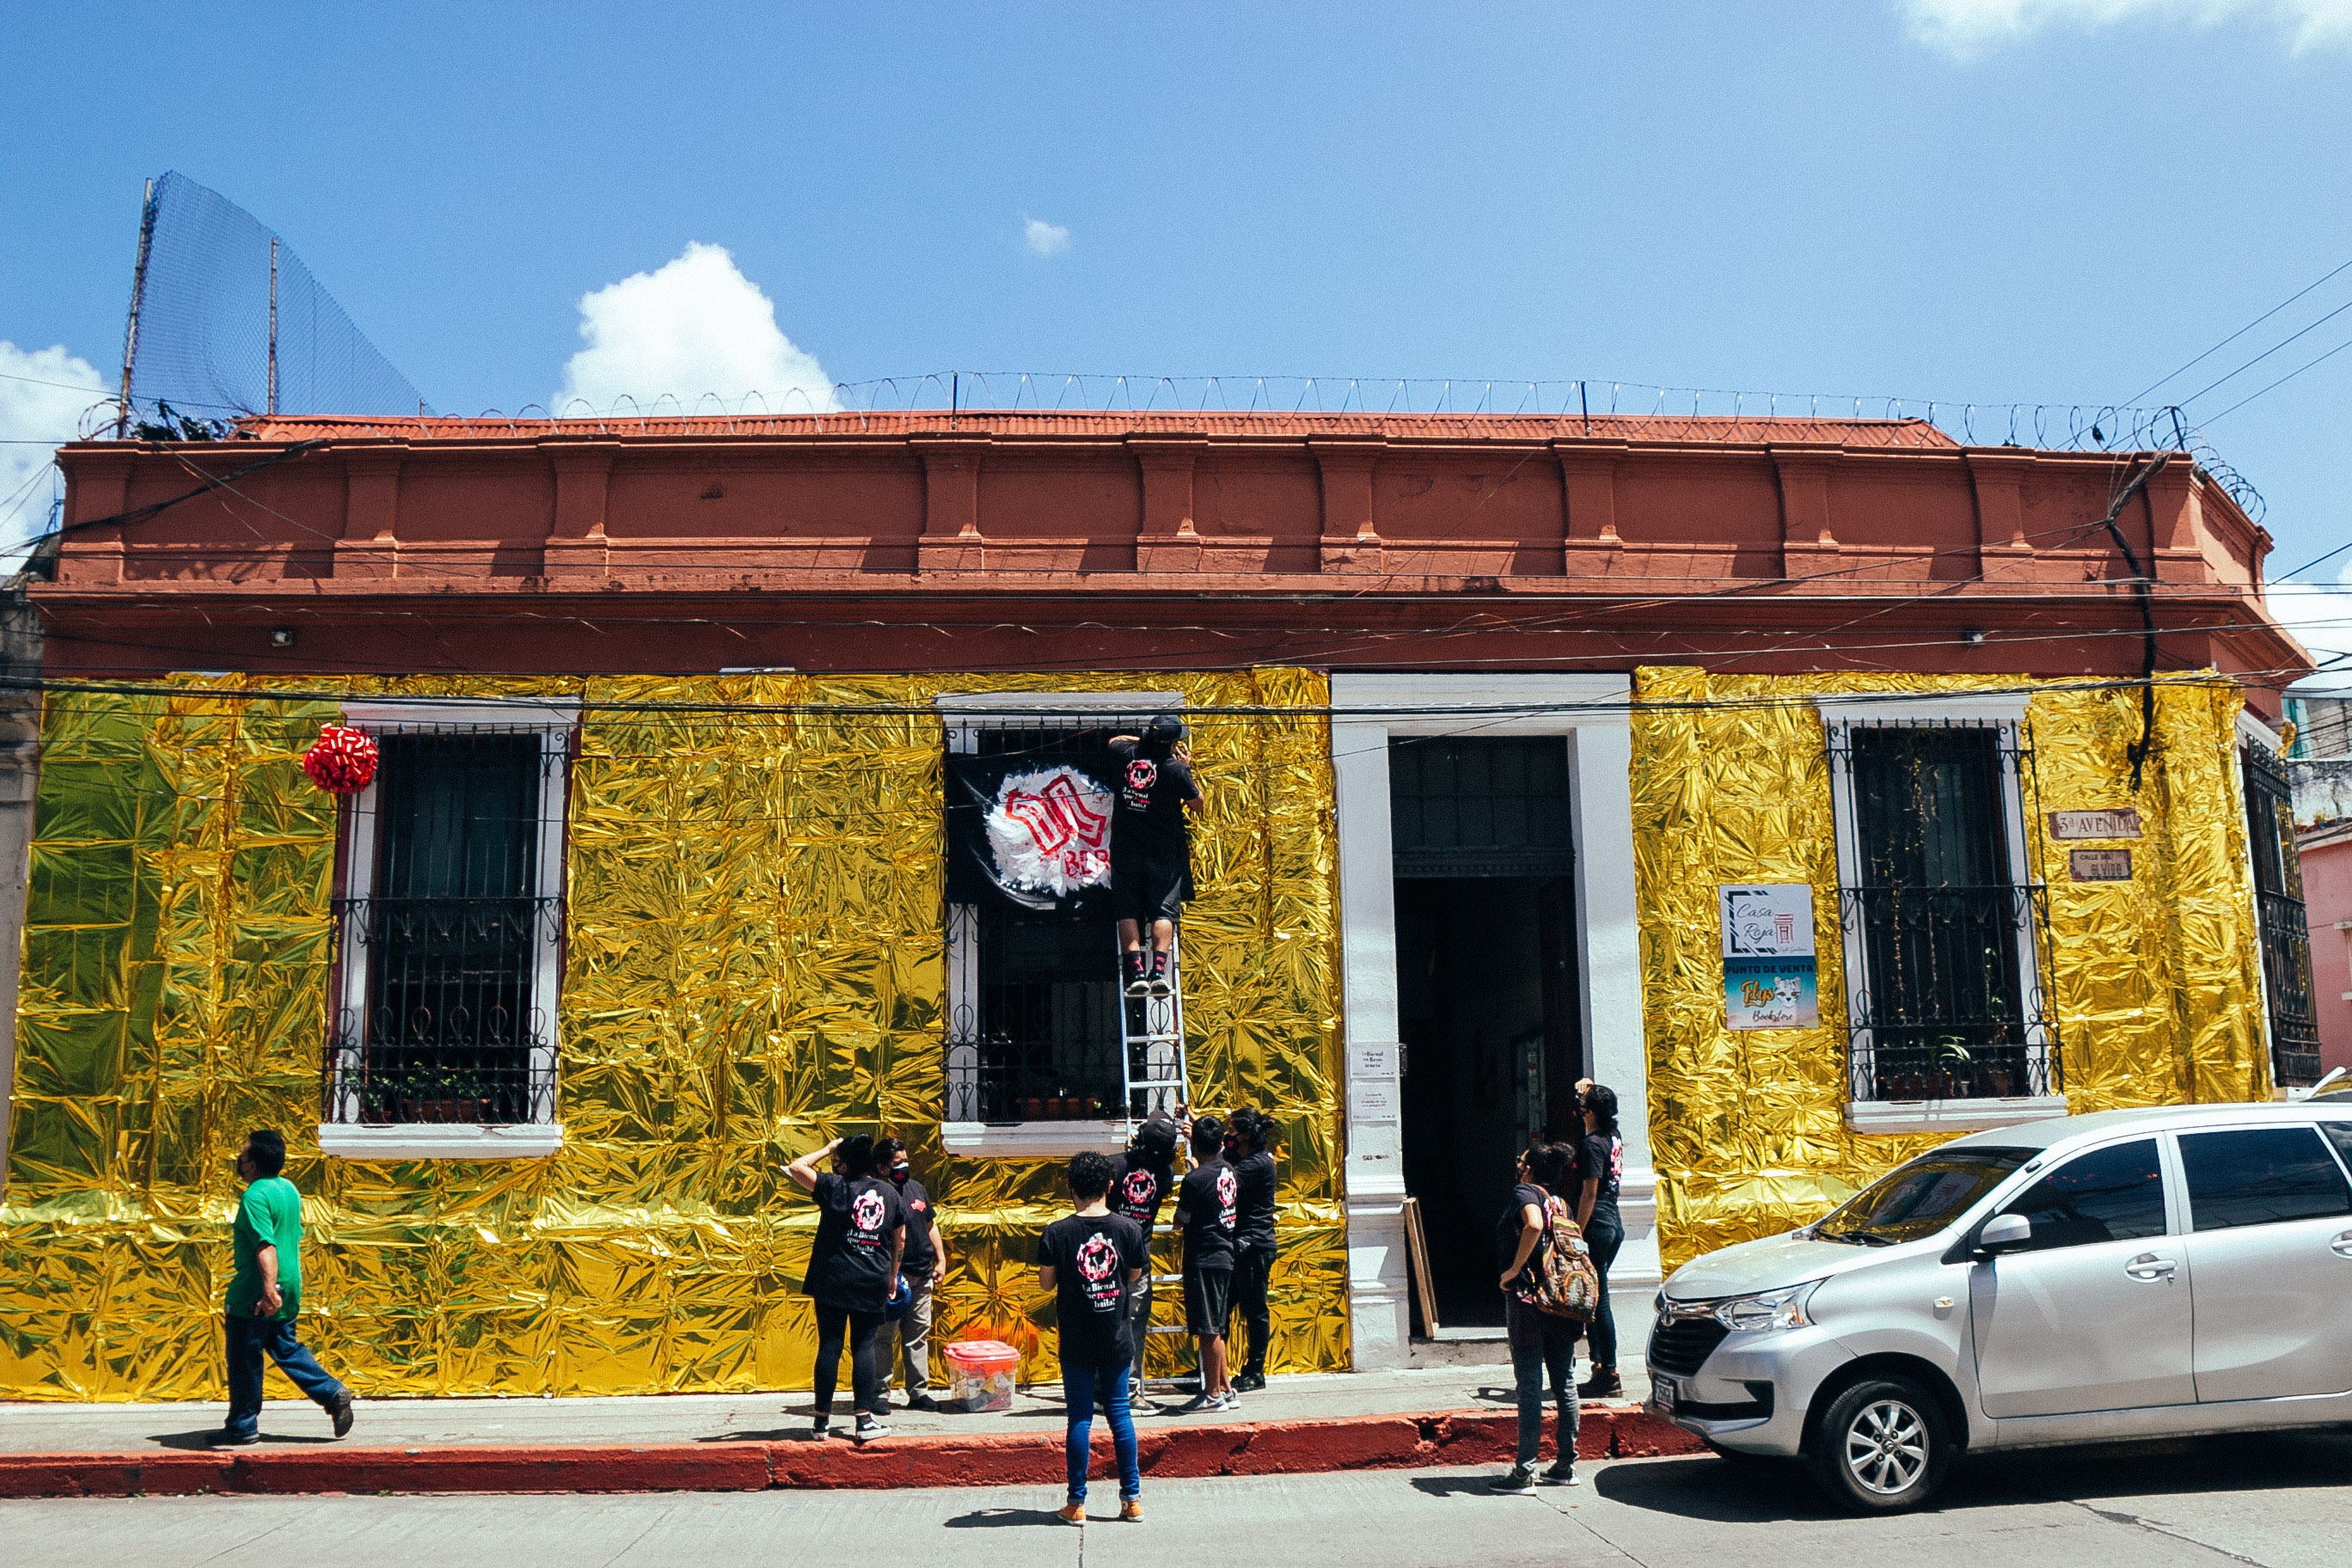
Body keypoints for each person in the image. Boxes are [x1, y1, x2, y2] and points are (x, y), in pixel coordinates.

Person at [214, 1130, 354, 1446]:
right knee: (284, 1346)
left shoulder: (254, 1196)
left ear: (253, 1163)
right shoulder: (288, 1189)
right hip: (290, 1283)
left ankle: (242, 1425)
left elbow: (266, 1245)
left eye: (243, 1154)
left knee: (244, 1355)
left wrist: (267, 1291)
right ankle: (331, 1392)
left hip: (257, 1287)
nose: (239, 1159)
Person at [1038, 1149, 1150, 1524]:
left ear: (1070, 1187)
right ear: (1110, 1185)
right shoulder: (1129, 1230)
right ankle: (1131, 1499)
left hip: (1076, 1337)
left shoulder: (1056, 1233)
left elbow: (1046, 1283)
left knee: (1080, 1418)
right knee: (1120, 1414)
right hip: (1116, 1335)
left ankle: (1077, 1502)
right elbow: (1133, 1276)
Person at [786, 1133, 907, 1442]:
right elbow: (899, 1238)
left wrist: (826, 1148)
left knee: (829, 1344)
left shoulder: (835, 1186)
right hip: (871, 1277)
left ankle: (821, 1422)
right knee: (863, 1347)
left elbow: (797, 1167)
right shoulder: (890, 1193)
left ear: (844, 1163)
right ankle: (864, 1420)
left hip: (833, 1278)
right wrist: (893, 1275)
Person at [1488, 1142, 1582, 1494]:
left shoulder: (1524, 1192)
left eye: (1521, 1160)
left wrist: (1513, 1270)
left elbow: (1532, 1223)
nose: (1518, 1164)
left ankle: (1524, 1473)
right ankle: (1565, 1466)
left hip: (1529, 1299)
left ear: (1529, 1169)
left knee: (1529, 1385)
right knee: (1565, 1382)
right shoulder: (1563, 1203)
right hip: (1561, 1300)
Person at [1107, 714, 1205, 997]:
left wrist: (1147, 741)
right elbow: (1198, 805)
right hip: (1163, 850)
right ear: (1172, 744)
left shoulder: (1125, 754)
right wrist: (1185, 766)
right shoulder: (1174, 769)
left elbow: (1114, 740)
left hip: (1126, 848)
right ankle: (1158, 972)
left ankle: (1136, 972)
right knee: (1163, 911)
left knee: (1127, 911)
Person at [1106, 1110, 1182, 1390]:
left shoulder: (1113, 1166)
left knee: (1106, 1315)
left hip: (1108, 1251)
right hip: (1139, 1251)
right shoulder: (1165, 1174)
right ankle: (1130, 1386)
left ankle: (1104, 1386)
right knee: (1135, 1319)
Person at [872, 1136, 947, 1412]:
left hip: (921, 1276)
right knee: (883, 1337)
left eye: (905, 1159)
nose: (903, 1165)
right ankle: (880, 1394)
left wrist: (941, 1259)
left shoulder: (916, 1189)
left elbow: (930, 1225)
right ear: (881, 1168)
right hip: (890, 1280)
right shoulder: (877, 1193)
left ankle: (918, 1393)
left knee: (917, 1336)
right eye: (896, 1162)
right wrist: (889, 1275)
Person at [1171, 1112, 1238, 1411]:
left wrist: (1192, 1176)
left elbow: (1179, 1221)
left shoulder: (1194, 1179)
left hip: (1203, 1257)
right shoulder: (1228, 1171)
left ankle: (1212, 1395)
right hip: (1224, 1253)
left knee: (1208, 1328)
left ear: (1194, 1144)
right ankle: (1225, 1388)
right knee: (1218, 1326)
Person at [1571, 1082, 1626, 1400]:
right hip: (1613, 1218)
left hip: (1597, 1221)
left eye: (1581, 1102)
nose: (1578, 1105)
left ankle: (1608, 1370)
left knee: (1598, 1299)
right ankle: (1602, 1368)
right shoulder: (1613, 1135)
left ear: (1588, 1112)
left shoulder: (1592, 1144)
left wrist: (1577, 1230)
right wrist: (1589, 1085)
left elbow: (1589, 1192)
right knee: (1597, 1294)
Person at [1224, 1106, 1278, 1393]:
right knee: (1222, 1309)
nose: (1228, 1136)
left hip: (1254, 1246)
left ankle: (1255, 1371)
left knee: (1254, 1310)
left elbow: (1224, 1179)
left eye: (1232, 1132)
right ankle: (1213, 1367)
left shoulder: (1257, 1164)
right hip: (1240, 1244)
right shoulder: (1245, 1158)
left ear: (1245, 1135)